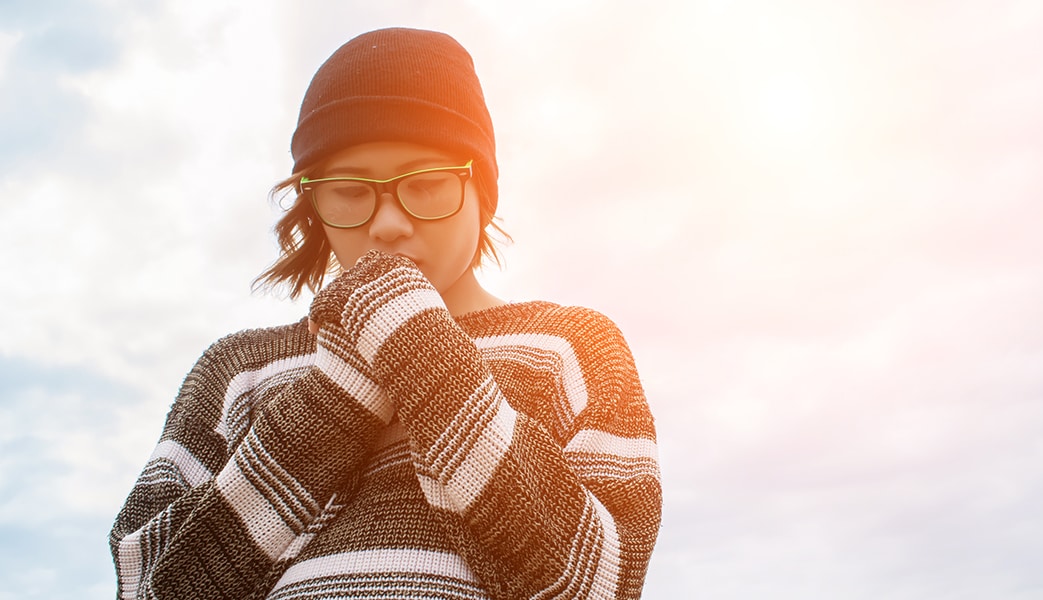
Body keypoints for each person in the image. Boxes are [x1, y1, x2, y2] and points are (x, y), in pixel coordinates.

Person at [109, 27, 661, 600]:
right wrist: (333, 403)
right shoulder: (237, 369)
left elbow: (605, 583)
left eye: (425, 184)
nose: (388, 223)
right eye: (349, 190)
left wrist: (418, 351)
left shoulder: (572, 346)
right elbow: (144, 585)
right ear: (313, 204)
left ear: (482, 190)